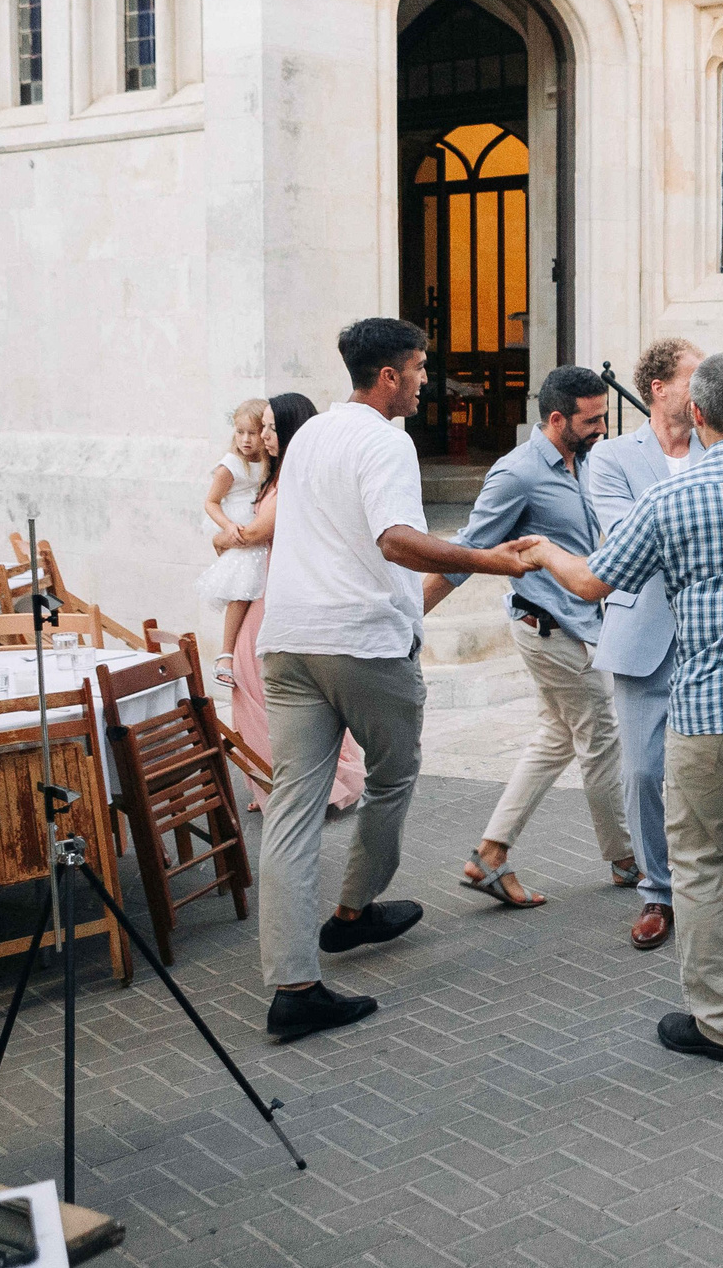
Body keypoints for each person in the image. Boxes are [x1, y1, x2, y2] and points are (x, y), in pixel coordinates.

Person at [517, 352, 723, 1062]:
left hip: (703, 710)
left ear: (699, 415)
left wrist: (542, 554)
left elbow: (591, 582)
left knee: (697, 866)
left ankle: (720, 1023)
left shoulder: (671, 499)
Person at [255, 318, 542, 1043]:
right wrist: (492, 561)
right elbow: (396, 541)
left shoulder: (309, 434)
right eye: (417, 368)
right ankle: (353, 911)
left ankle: (293, 986)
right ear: (388, 376)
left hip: (287, 639)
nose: (423, 381)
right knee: (392, 777)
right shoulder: (386, 441)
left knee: (291, 811)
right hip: (361, 643)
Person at [424, 365, 635, 914]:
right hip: (549, 628)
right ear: (557, 418)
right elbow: (467, 551)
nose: (602, 428)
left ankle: (490, 854)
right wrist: (411, 617)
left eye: (603, 417)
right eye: (591, 420)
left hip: (580, 623)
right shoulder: (517, 473)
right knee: (601, 737)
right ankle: (626, 858)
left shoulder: (585, 461)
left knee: (555, 738)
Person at [585, 338, 705, 951]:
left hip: (712, 633)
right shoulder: (610, 457)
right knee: (642, 772)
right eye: (693, 376)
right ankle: (658, 890)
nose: (703, 387)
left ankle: (710, 871)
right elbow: (622, 537)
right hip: (640, 634)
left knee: (711, 766)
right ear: (659, 388)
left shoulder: (720, 446)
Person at [221, 394, 366, 816]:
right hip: (265, 589)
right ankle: (270, 782)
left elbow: (255, 533)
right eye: (261, 426)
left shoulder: (294, 479)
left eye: (271, 427)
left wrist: (220, 536)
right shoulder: (275, 476)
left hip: (278, 594)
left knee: (254, 685)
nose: (263, 435)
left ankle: (290, 787)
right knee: (255, 688)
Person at [199, 398, 276, 687]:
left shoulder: (268, 463)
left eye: (252, 433)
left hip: (258, 530)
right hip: (239, 528)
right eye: (240, 432)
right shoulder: (230, 465)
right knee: (242, 591)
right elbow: (211, 502)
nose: (245, 439)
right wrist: (227, 526)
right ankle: (225, 654)